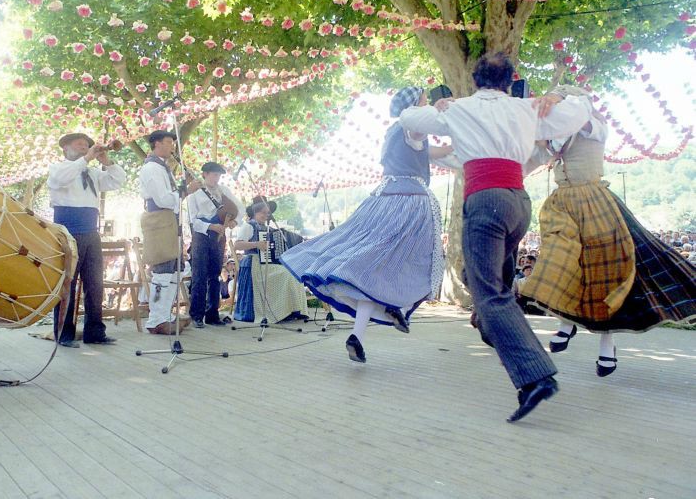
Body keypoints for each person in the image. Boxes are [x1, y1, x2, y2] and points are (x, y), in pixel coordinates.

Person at [399, 51, 590, 422]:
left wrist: (439, 107)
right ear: (511, 79)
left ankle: (535, 375)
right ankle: (493, 330)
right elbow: (581, 110)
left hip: (484, 201)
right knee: (497, 282)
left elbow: (407, 116)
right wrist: (559, 97)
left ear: (475, 80)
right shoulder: (527, 108)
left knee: (488, 293)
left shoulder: (459, 109)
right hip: (518, 202)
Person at [519, 85, 696, 376]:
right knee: (560, 261)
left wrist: (558, 99)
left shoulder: (593, 126)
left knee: (603, 275)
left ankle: (604, 343)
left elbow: (576, 110)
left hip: (593, 202)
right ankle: (566, 323)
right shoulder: (556, 134)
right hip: (564, 203)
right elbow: (539, 147)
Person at [281, 87, 451, 362]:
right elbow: (425, 133)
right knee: (413, 262)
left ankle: (363, 332)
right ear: (413, 107)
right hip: (408, 202)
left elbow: (444, 150)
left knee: (374, 269)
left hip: (382, 197)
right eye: (423, 100)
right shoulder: (410, 127)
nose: (426, 103)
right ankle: (390, 308)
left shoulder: (394, 133)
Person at [48, 132, 127, 347]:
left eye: (87, 145)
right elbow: (60, 179)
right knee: (68, 283)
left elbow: (118, 180)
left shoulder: (91, 172)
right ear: (65, 148)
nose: (84, 147)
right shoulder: (59, 168)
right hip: (68, 229)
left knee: (95, 283)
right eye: (79, 144)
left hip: (91, 230)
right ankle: (64, 334)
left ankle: (95, 332)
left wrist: (106, 161)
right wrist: (86, 159)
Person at [139, 130, 200, 335]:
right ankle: (156, 318)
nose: (172, 146)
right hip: (160, 219)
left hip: (169, 219)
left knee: (175, 269)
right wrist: (186, 191)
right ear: (156, 144)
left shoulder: (162, 167)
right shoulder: (152, 169)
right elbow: (163, 199)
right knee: (162, 271)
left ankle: (166, 315)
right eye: (168, 142)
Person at [233, 199, 310, 325]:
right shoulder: (248, 225)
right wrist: (256, 244)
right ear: (255, 212)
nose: (265, 216)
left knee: (292, 273)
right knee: (286, 275)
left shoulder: (268, 228)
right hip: (253, 263)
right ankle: (279, 311)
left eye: (267, 213)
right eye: (262, 213)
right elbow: (237, 245)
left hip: (266, 264)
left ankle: (290, 310)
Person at [186, 161, 242, 328]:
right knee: (199, 275)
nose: (216, 178)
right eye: (213, 174)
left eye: (218, 175)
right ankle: (196, 315)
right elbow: (192, 220)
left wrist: (234, 222)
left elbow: (240, 207)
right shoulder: (194, 193)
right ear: (204, 174)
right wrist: (210, 226)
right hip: (202, 235)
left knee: (216, 274)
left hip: (219, 235)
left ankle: (212, 314)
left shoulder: (224, 191)